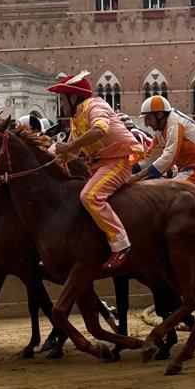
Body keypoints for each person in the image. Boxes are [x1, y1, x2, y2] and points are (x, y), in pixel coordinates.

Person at [49, 71, 141, 270]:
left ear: (73, 97)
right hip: (98, 166)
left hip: (117, 164)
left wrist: (67, 148)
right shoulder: (76, 118)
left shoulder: (94, 105)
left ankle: (121, 245)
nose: (61, 104)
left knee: (90, 196)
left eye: (62, 98)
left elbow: (100, 130)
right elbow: (71, 154)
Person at [136, 95, 195, 187]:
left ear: (160, 115)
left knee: (166, 192)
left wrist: (137, 176)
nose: (146, 124)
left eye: (148, 118)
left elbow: (169, 158)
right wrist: (132, 169)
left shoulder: (175, 124)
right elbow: (151, 157)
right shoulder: (160, 129)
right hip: (186, 170)